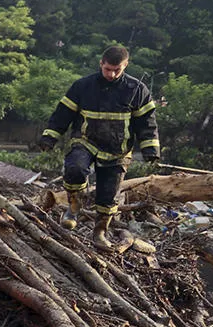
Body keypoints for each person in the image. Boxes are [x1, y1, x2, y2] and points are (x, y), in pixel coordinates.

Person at [39, 45, 160, 249]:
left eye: (117, 70)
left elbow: (147, 122)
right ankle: (74, 205)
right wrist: (50, 137)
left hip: (118, 149)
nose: (112, 74)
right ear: (101, 63)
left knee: (109, 194)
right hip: (85, 140)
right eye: (108, 69)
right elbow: (63, 114)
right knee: (75, 168)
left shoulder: (137, 90)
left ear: (125, 65)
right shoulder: (82, 86)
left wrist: (150, 149)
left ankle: (100, 231)